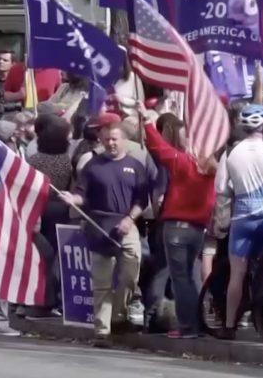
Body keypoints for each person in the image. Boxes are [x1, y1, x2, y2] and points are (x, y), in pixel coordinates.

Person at [59, 118, 148, 347]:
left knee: (130, 275)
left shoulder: (136, 166)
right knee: (102, 282)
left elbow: (142, 200)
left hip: (126, 226)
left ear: (125, 141)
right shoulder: (93, 166)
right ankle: (102, 331)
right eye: (106, 139)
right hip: (98, 226)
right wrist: (72, 199)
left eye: (115, 139)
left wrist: (130, 219)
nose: (111, 143)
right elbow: (81, 194)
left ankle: (118, 315)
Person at [214, 104, 263, 340]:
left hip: (241, 218)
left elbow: (220, 188)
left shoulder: (230, 153)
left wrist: (236, 193)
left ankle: (229, 325)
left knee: (237, 274)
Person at [138, 102, 216, 339]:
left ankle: (187, 327)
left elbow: (158, 147)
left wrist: (148, 122)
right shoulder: (212, 171)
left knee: (181, 280)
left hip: (176, 229)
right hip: (197, 231)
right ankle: (194, 324)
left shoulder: (184, 163)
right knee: (189, 279)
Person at [27, 116, 73, 316]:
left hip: (38, 208)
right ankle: (54, 298)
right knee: (56, 256)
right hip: (59, 209)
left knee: (41, 255)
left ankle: (41, 297)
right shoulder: (66, 162)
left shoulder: (34, 160)